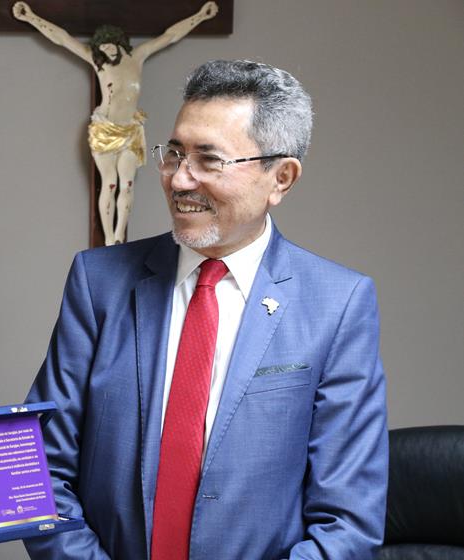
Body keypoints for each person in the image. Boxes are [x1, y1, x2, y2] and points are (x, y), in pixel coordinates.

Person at [25, 60, 388, 559]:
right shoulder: (99, 283)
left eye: (209, 160)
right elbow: (39, 471)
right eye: (174, 154)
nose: (179, 180)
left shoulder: (337, 304)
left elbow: (348, 522)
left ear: (280, 178)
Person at [12, 1, 218, 246]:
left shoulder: (137, 57)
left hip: (130, 130)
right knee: (109, 184)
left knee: (127, 184)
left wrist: (200, 16)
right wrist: (31, 17)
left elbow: (169, 36)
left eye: (110, 46)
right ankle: (109, 238)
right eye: (103, 48)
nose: (107, 51)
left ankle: (120, 234)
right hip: (105, 130)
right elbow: (63, 39)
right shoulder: (99, 63)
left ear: (119, 43)